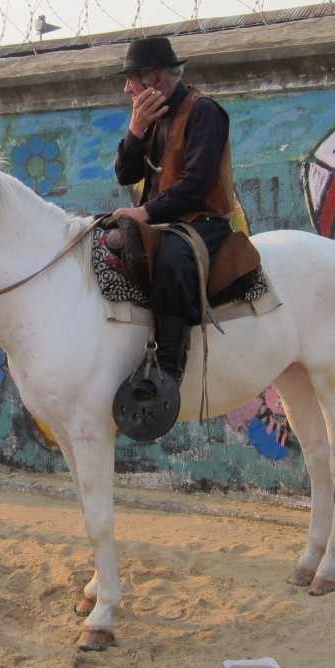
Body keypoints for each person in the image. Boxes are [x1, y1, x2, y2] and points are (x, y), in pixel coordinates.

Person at [113, 36, 237, 402]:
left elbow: (196, 185)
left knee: (169, 259)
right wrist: (135, 132)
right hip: (162, 221)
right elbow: (124, 173)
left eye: (131, 79)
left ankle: (166, 369)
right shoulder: (151, 116)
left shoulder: (204, 112)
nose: (126, 88)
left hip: (201, 223)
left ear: (153, 78)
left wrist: (144, 212)